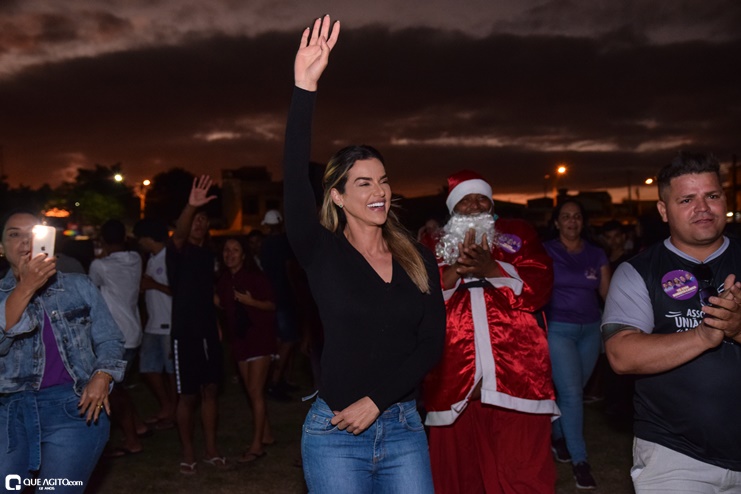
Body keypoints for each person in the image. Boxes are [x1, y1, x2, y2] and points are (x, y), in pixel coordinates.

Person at [285, 15, 446, 493]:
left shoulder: (417, 257)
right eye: (363, 183)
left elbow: (431, 343)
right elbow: (294, 179)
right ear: (337, 195)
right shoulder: (322, 252)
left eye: (383, 180)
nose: (378, 191)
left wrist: (377, 400)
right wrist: (304, 88)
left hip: (403, 429)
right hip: (335, 433)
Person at [602, 152, 741, 493]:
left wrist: (737, 328)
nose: (703, 208)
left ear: (725, 200)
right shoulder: (637, 271)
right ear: (664, 210)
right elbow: (621, 355)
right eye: (686, 200)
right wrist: (704, 335)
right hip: (674, 455)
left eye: (712, 195)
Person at [423, 170, 559, 493]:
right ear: (452, 209)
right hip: (453, 375)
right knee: (459, 477)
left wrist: (491, 269)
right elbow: (418, 295)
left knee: (522, 473)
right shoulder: (432, 243)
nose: (475, 205)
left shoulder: (518, 233)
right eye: (465, 200)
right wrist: (456, 271)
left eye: (481, 198)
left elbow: (540, 284)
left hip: (518, 375)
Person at [0, 210, 125, 492]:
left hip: (74, 410)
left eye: (32, 234)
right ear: (2, 247)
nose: (24, 241)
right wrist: (26, 286)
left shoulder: (79, 285)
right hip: (11, 414)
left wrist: (102, 375)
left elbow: (110, 339)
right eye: (14, 234)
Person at [543, 199, 611, 490]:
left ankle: (557, 435)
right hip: (559, 330)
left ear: (583, 222)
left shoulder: (596, 254)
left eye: (577, 216)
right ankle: (580, 462)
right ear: (557, 222)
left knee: (572, 391)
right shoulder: (546, 251)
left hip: (590, 330)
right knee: (571, 394)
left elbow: (608, 295)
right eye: (566, 216)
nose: (572, 221)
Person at [166, 178, 225, 475]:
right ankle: (188, 452)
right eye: (194, 219)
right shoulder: (178, 251)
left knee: (210, 390)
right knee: (188, 395)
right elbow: (179, 234)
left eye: (203, 219)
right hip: (185, 334)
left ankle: (211, 449)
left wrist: (217, 324)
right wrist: (191, 206)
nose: (199, 223)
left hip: (208, 333)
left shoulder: (210, 255)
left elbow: (208, 294)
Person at [215, 238, 277, 463]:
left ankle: (257, 446)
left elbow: (272, 305)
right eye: (226, 250)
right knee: (252, 391)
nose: (230, 254)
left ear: (243, 255)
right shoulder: (224, 279)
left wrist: (250, 301)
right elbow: (222, 304)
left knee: (255, 390)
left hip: (259, 338)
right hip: (239, 341)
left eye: (235, 250)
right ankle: (266, 434)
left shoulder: (255, 277)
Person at [88, 219, 146, 457]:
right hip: (133, 332)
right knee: (118, 387)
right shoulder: (136, 259)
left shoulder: (100, 265)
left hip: (114, 337)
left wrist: (101, 253)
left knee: (113, 391)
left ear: (103, 240)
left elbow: (91, 291)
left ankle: (132, 441)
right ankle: (138, 427)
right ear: (124, 237)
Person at [133, 218, 176, 430]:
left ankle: (175, 411)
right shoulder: (151, 258)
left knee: (172, 371)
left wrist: (152, 284)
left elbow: (179, 291)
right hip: (153, 323)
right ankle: (167, 406)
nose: (138, 242)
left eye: (140, 238)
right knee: (148, 367)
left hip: (169, 322)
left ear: (148, 238)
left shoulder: (170, 258)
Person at [259, 209, 300, 401]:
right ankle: (275, 382)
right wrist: (297, 293)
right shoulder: (285, 242)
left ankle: (277, 380)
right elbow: (290, 268)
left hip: (272, 297)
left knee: (278, 340)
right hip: (285, 297)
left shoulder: (265, 245)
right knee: (289, 339)